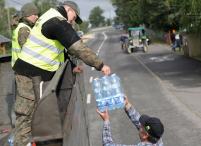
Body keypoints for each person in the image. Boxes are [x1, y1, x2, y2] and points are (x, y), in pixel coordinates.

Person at [12, 1, 111, 146]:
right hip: (28, 74)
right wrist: (100, 65)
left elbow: (58, 50)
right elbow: (77, 47)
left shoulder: (51, 18)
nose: (72, 22)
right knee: (27, 117)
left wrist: (71, 67)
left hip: (35, 75)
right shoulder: (57, 21)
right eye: (73, 17)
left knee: (36, 115)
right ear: (69, 10)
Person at [97, 96, 164, 146]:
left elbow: (107, 144)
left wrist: (106, 121)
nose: (139, 125)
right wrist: (127, 105)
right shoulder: (157, 138)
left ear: (145, 135)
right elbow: (141, 124)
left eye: (141, 126)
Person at [11, 3, 39, 67]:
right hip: (24, 68)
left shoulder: (19, 26)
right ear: (27, 15)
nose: (37, 17)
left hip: (18, 65)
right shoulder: (24, 30)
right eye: (34, 14)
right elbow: (28, 52)